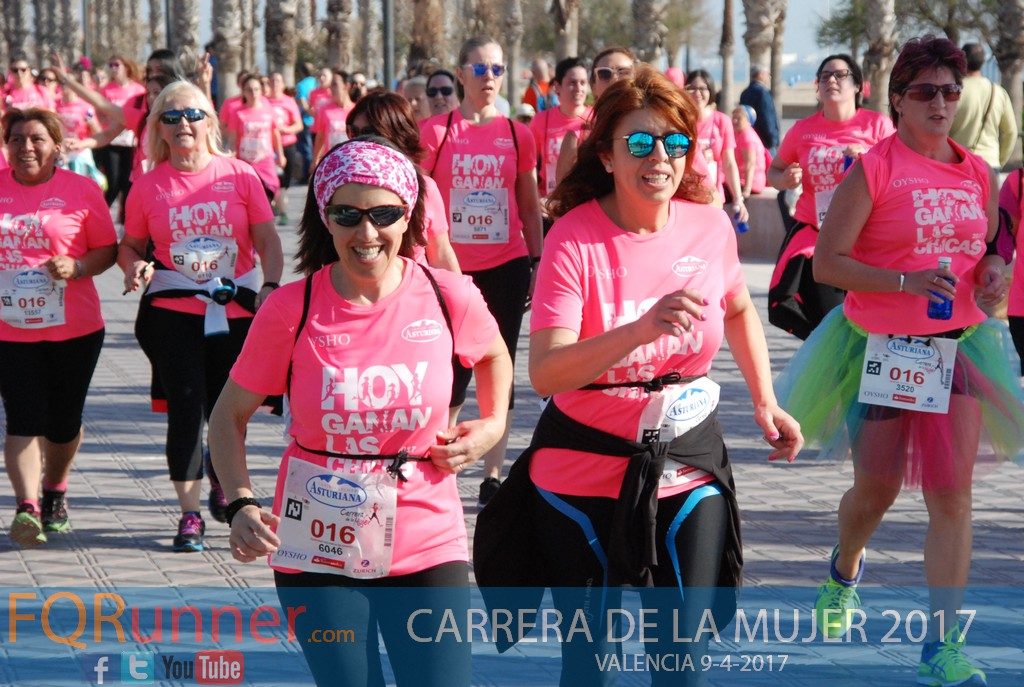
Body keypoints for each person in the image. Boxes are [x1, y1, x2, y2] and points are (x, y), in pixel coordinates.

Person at [475, 65, 802, 686]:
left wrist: (766, 402)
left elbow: (736, 308)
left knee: (680, 659)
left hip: (686, 458)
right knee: (591, 665)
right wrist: (642, 328)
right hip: (582, 468)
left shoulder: (707, 227)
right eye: (641, 142)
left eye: (676, 143)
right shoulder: (574, 239)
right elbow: (546, 372)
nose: (661, 157)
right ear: (606, 153)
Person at [208, 137, 512, 687]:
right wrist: (241, 505)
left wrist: (490, 427)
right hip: (317, 541)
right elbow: (227, 417)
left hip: (427, 536)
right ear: (326, 218)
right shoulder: (290, 309)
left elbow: (494, 356)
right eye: (347, 215)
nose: (366, 233)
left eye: (384, 214)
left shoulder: (449, 296)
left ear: (408, 217)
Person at [775, 36, 1024, 687]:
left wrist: (995, 271)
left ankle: (942, 646)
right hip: (880, 346)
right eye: (926, 92)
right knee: (876, 490)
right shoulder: (874, 169)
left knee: (953, 494)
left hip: (961, 344)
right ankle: (845, 564)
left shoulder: (977, 170)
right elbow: (828, 263)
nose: (941, 102)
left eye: (950, 90)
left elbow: (988, 243)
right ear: (898, 100)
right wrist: (905, 283)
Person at [119, 80, 284, 552]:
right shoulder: (147, 185)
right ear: (159, 130)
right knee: (186, 411)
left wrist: (270, 288)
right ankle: (190, 514)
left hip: (234, 310)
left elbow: (269, 240)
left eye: (192, 115)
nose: (183, 124)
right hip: (173, 313)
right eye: (171, 117)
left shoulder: (240, 175)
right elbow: (129, 245)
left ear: (209, 122)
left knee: (227, 410)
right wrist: (135, 267)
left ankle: (225, 482)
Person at [420, 36, 543, 505]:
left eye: (496, 69)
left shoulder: (518, 134)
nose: (489, 77)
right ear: (461, 73)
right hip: (451, 271)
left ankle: (493, 473)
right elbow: (419, 202)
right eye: (479, 69)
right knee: (450, 368)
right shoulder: (436, 132)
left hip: (507, 267)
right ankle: (442, 457)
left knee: (500, 364)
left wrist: (537, 259)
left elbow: (529, 207)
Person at [0, 109, 117, 547]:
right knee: (22, 416)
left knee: (63, 423)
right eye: (16, 139)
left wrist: (79, 265)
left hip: (76, 327)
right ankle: (27, 507)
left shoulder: (82, 191)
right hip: (9, 329)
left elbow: (107, 248)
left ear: (56, 145)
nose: (25, 148)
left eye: (36, 139)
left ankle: (55, 490)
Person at [767, 54, 894, 340]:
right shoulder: (803, 130)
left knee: (857, 321)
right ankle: (829, 361)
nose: (831, 81)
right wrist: (783, 179)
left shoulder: (878, 127)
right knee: (810, 316)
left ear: (859, 86)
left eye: (839, 75)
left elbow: (898, 174)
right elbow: (773, 171)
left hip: (865, 238)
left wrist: (868, 161)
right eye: (824, 76)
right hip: (815, 235)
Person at [345, 90, 460, 273]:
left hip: (415, 295)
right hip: (354, 297)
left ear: (398, 134)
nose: (359, 142)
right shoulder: (338, 189)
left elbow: (441, 253)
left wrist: (460, 298)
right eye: (353, 131)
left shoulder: (424, 187)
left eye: (369, 133)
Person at [554, 47, 635, 186]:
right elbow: (563, 197)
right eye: (605, 74)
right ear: (593, 86)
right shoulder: (577, 137)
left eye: (624, 72)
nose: (615, 79)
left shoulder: (655, 131)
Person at [685, 69, 748, 223]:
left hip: (712, 195)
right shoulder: (680, 121)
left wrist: (738, 198)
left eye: (702, 88)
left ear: (710, 91)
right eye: (692, 88)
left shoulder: (722, 121)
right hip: (685, 196)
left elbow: (729, 162)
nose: (697, 93)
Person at [949, 43, 1017, 170]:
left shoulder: (952, 92)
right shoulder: (998, 92)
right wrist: (999, 160)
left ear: (962, 61)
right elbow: (1011, 132)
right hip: (990, 162)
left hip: (959, 162)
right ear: (983, 61)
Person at [530, 56, 590, 199]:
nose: (578, 88)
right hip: (550, 202)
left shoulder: (596, 118)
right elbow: (529, 165)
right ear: (557, 86)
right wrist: (536, 197)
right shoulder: (541, 120)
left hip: (586, 201)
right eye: (572, 83)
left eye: (583, 83)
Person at [224, 73, 287, 203]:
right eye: (249, 90)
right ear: (243, 92)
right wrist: (230, 159)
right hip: (245, 161)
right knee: (249, 195)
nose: (253, 93)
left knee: (269, 191)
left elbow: (275, 134)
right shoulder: (237, 113)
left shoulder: (268, 110)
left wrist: (280, 155)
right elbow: (232, 139)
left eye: (256, 89)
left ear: (261, 91)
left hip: (265, 159)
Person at [97, 55, 146, 210]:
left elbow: (143, 113)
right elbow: (100, 113)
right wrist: (110, 121)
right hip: (112, 140)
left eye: (116, 65)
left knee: (127, 183)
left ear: (126, 67)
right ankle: (101, 210)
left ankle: (125, 218)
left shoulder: (138, 90)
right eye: (110, 65)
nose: (113, 68)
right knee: (113, 181)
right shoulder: (106, 90)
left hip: (131, 141)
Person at [266, 72, 304, 223]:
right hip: (269, 146)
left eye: (278, 80)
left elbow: (299, 125)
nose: (275, 83)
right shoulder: (264, 102)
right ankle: (279, 207)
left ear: (282, 85)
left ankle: (281, 207)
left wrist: (285, 129)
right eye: (272, 80)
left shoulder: (289, 101)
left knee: (285, 180)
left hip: (287, 144)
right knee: (272, 178)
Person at [312, 70, 355, 163]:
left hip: (352, 160)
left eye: (335, 84)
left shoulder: (356, 110)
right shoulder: (324, 110)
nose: (331, 88)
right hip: (332, 160)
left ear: (346, 86)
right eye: (331, 85)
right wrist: (315, 160)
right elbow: (320, 137)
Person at [739, 65, 779, 155]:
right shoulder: (763, 93)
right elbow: (768, 118)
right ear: (760, 74)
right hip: (766, 142)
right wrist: (774, 141)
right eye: (768, 74)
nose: (769, 77)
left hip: (749, 139)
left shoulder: (745, 93)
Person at [731, 104, 767, 197]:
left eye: (739, 118)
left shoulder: (747, 137)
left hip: (750, 183)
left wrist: (747, 190)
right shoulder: (739, 134)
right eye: (733, 117)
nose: (734, 121)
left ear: (748, 121)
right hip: (741, 181)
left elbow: (750, 164)